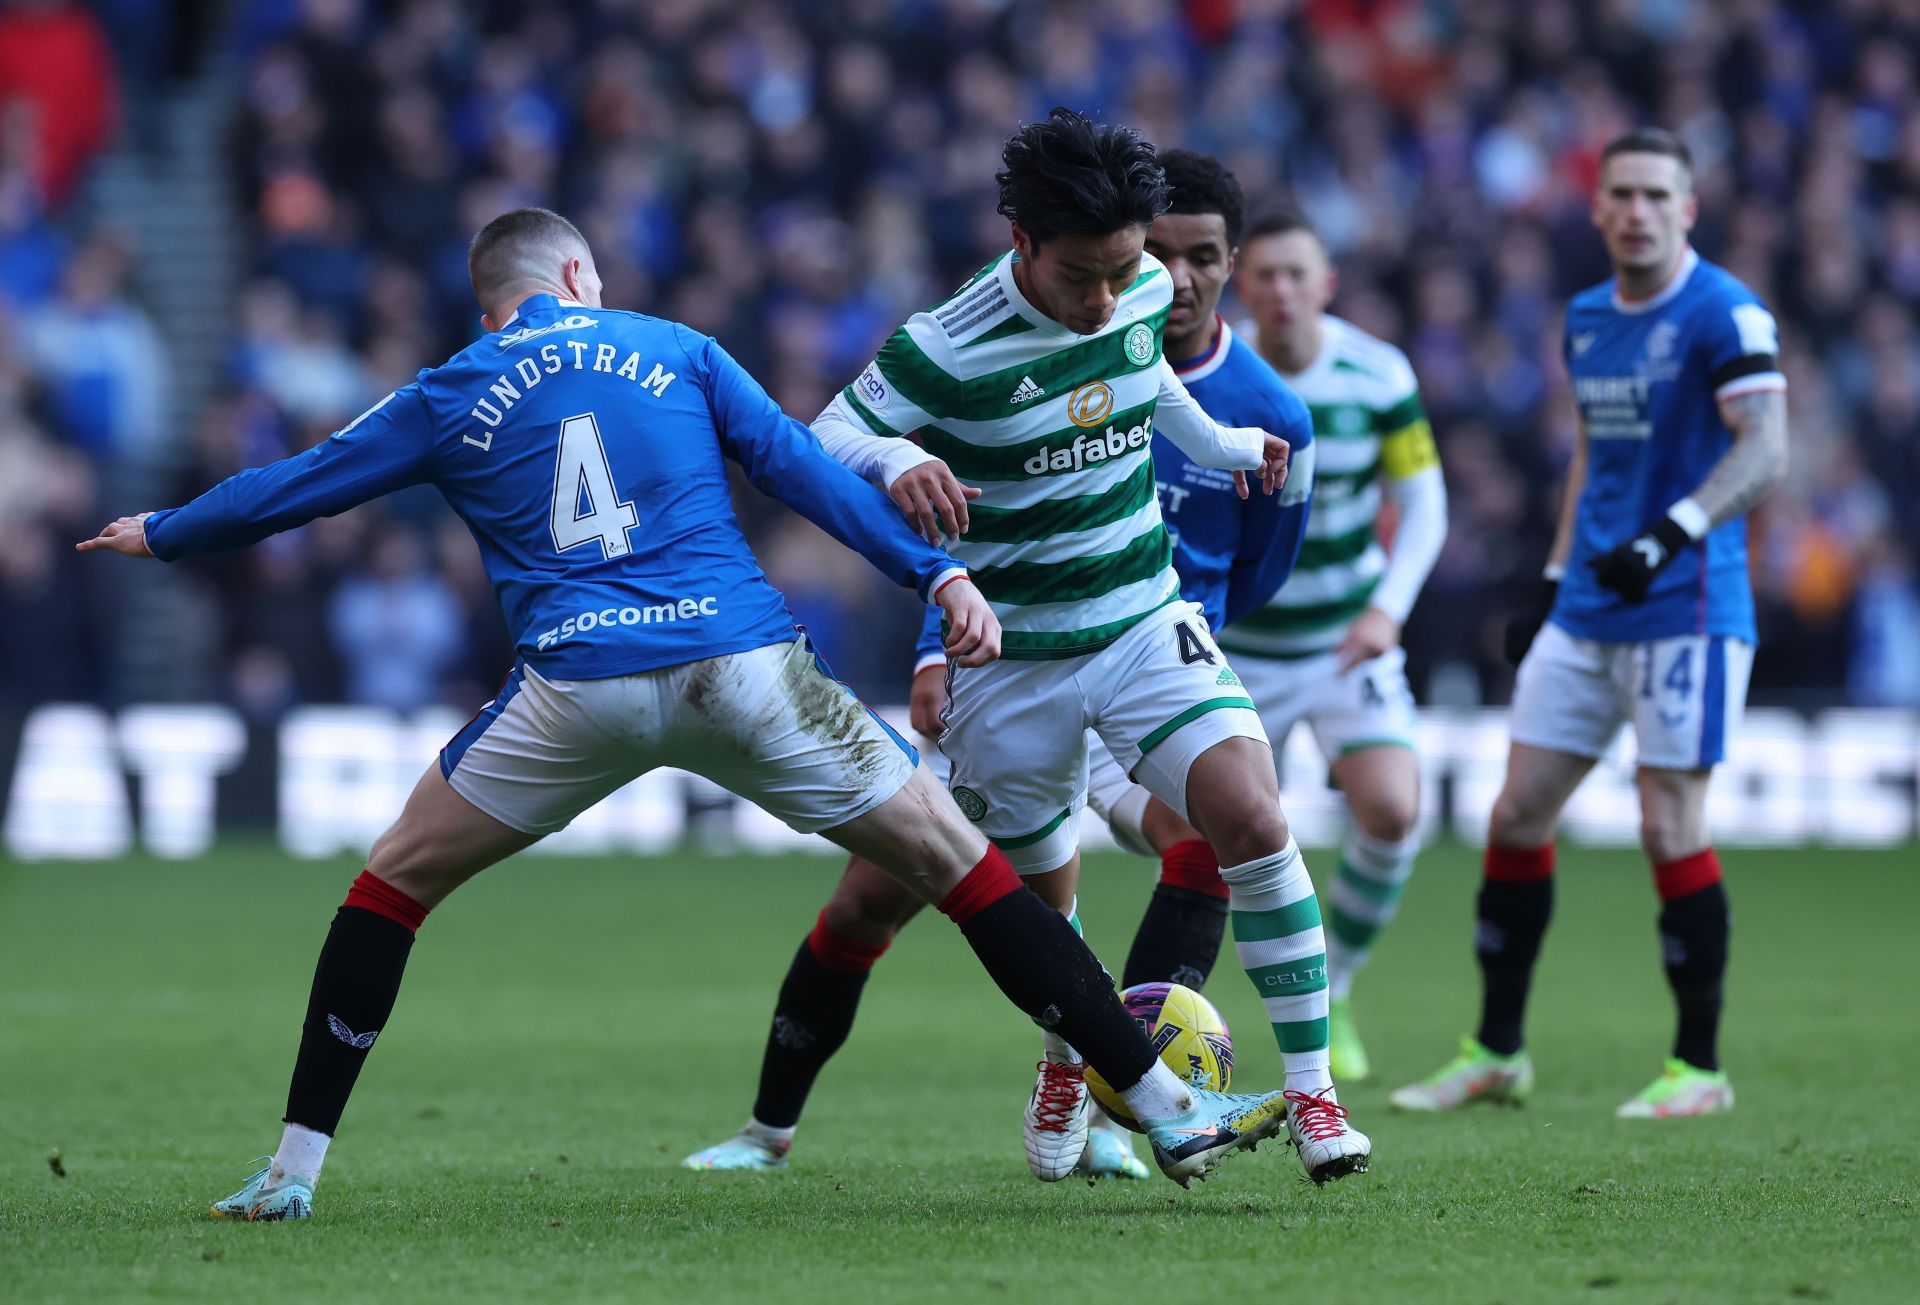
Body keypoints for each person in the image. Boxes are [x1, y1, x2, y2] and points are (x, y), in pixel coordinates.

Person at [77, 207, 1293, 1221]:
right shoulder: (676, 347)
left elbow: (299, 487)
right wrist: (936, 574)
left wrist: (164, 531)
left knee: (389, 886)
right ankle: (1168, 1104)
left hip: (577, 690)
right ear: (576, 279)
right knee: (966, 870)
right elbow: (807, 474)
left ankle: (293, 1172)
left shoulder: (449, 389)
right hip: (746, 669)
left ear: (494, 302)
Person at [684, 149, 1319, 1182]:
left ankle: (1116, 1100)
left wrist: (1187, 651)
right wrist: (939, 633)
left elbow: (1257, 579)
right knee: (874, 901)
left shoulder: (1268, 412)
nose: (1167, 280)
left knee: (1218, 831)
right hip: (1007, 657)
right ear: (1031, 246)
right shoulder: (980, 343)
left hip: (1146, 660)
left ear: (1229, 262)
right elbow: (854, 451)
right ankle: (769, 1128)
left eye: (1198, 258)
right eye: (1163, 256)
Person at [1391, 128, 1788, 1118]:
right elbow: (1590, 456)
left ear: (1688, 208)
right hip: (1589, 604)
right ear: (1599, 206)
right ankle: (1495, 1051)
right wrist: (1557, 577)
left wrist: (1673, 534)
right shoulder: (1585, 316)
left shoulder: (1726, 311)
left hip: (1687, 607)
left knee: (1666, 822)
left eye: (1659, 194)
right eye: (1623, 194)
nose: (1639, 211)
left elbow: (1768, 446)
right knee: (1516, 813)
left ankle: (1700, 1068)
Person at [1208, 206, 1449, 1082]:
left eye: (1295, 274)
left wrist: (1387, 608)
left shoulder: (1377, 373)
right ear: (1245, 284)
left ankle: (1336, 982)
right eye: (1264, 275)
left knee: (1392, 808)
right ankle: (1207, 1002)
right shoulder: (1209, 375)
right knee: (1194, 835)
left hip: (1346, 640)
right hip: (1239, 643)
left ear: (1326, 283)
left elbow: (1425, 502)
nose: (1280, 291)